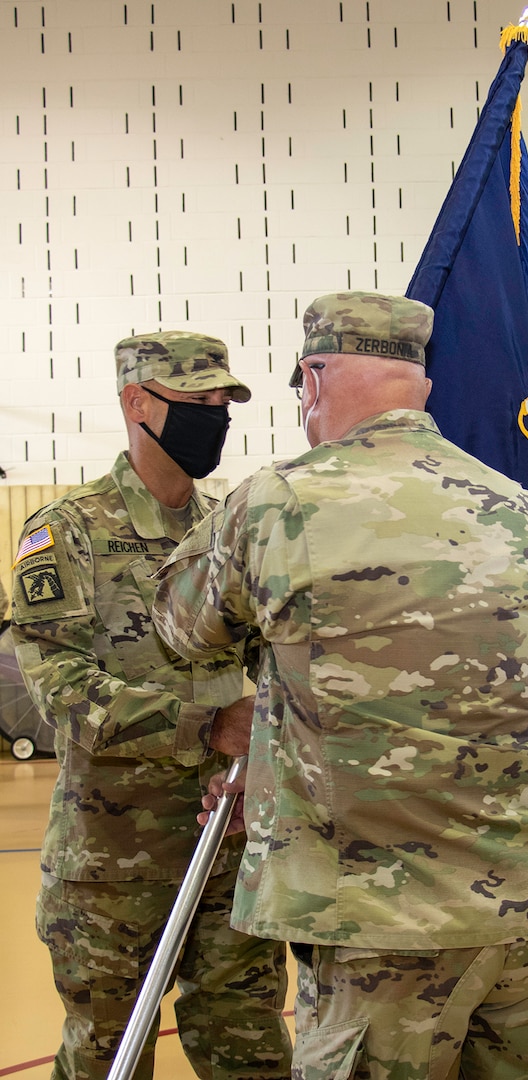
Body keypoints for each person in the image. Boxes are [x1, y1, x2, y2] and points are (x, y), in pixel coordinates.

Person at [152, 291, 528, 1080]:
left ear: (312, 377)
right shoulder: (522, 509)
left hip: (385, 930)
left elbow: (182, 624)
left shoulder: (279, 502)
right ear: (422, 386)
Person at [10, 332, 292, 1080]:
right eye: (195, 402)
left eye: (221, 403)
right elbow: (60, 693)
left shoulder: (228, 529)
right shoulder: (68, 530)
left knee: (250, 1048)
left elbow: (271, 663)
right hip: (114, 862)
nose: (213, 417)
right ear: (137, 402)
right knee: (109, 1056)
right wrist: (208, 726)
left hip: (227, 842)